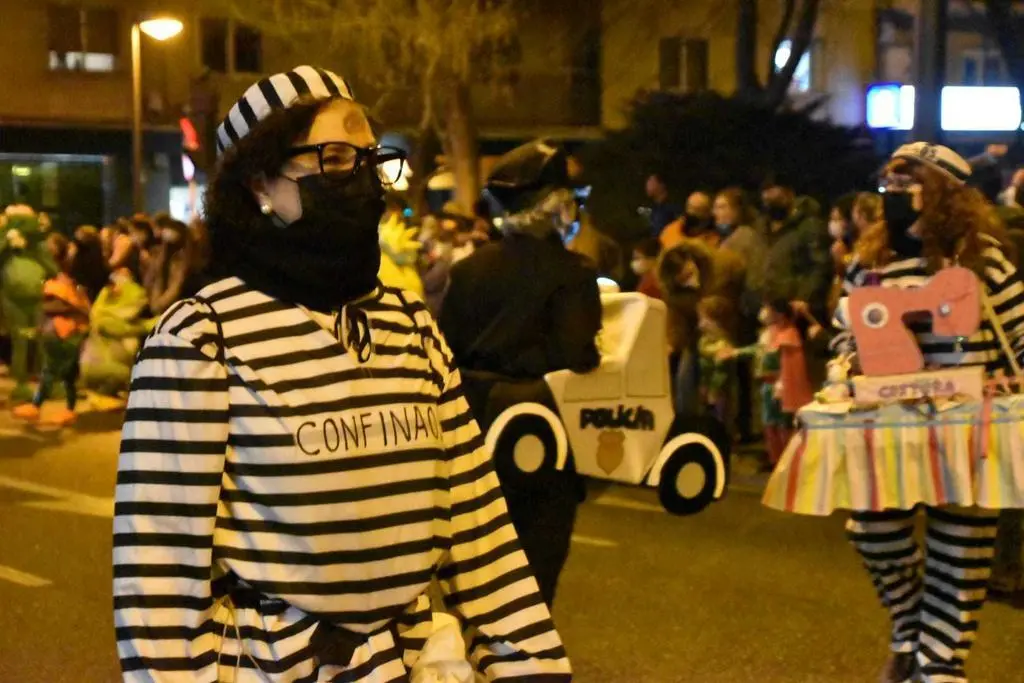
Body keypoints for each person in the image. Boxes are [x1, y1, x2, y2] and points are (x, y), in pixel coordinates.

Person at [113, 66, 570, 682]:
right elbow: (159, 577)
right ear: (259, 185)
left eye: (366, 157)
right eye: (330, 158)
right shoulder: (201, 338)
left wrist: (531, 665)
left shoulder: (410, 326)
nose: (356, 178)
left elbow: (480, 526)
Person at [834, 142, 1024, 683]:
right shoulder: (871, 259)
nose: (893, 192)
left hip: (972, 426)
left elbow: (1019, 333)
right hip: (890, 426)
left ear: (941, 191)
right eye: (888, 183)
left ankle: (939, 663)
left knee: (961, 548)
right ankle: (912, 629)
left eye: (906, 181)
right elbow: (845, 333)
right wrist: (845, 364)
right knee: (873, 530)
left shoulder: (984, 256)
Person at [440, 139, 601, 606]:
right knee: (532, 588)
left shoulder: (469, 270)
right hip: (538, 440)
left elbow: (446, 351)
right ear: (556, 205)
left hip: (471, 438)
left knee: (473, 582)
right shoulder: (572, 273)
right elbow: (577, 354)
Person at [11, 235, 90, 426]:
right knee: (63, 374)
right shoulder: (58, 278)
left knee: (55, 372)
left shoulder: (62, 280)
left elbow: (62, 305)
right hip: (63, 330)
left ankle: (40, 406)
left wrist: (50, 306)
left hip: (66, 331)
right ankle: (61, 408)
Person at [644, 172, 681, 237]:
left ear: (661, 185)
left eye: (651, 182)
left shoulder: (672, 208)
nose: (647, 186)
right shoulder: (655, 209)